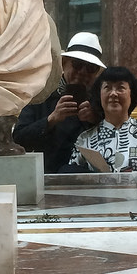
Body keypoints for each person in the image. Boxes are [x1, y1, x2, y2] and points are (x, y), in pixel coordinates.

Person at [13, 32, 106, 173]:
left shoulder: (102, 100)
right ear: (64, 63)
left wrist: (95, 120)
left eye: (90, 68)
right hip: (47, 176)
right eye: (77, 65)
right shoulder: (42, 95)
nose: (82, 72)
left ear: (96, 73)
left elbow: (115, 136)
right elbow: (19, 140)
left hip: (89, 178)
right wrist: (51, 119)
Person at [68, 66, 137, 172]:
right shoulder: (85, 139)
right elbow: (73, 178)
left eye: (120, 88)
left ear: (131, 94)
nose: (113, 93)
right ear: (99, 94)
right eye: (108, 87)